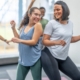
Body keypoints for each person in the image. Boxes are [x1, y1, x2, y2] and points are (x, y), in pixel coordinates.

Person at [41, 1, 80, 80]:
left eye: (58, 9)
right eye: (54, 10)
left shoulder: (70, 23)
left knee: (78, 77)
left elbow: (69, 39)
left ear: (64, 9)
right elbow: (44, 41)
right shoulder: (51, 23)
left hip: (63, 56)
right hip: (49, 54)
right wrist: (57, 42)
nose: (55, 12)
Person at [10, 7, 43, 80]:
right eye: (36, 14)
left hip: (34, 59)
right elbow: (19, 38)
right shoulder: (24, 25)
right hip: (23, 60)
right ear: (29, 14)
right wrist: (13, 28)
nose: (38, 17)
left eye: (39, 15)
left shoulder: (38, 25)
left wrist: (19, 41)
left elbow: (34, 42)